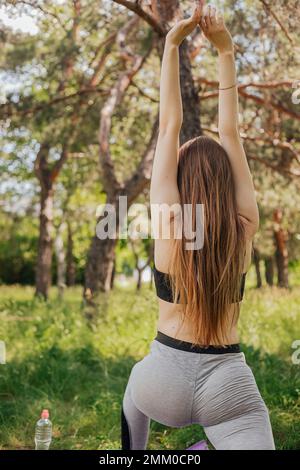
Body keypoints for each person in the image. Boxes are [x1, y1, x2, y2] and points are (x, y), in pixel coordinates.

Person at [121, 1, 275, 450]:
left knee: (135, 385)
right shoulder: (244, 224)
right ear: (227, 184)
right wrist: (226, 51)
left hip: (161, 380)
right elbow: (231, 135)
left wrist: (172, 43)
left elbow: (169, 127)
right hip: (227, 385)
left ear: (182, 183)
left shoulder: (169, 221)